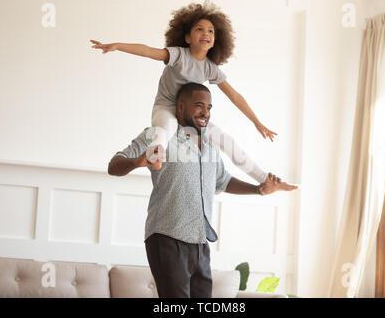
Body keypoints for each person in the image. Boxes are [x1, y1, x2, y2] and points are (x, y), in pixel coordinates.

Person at [108, 83, 298, 298]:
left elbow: (222, 181)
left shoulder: (210, 144)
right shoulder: (159, 135)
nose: (205, 113)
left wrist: (259, 190)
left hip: (200, 241)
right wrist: (139, 161)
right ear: (180, 107)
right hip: (167, 237)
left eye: (209, 108)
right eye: (199, 106)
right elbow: (114, 165)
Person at [92, 0, 278, 184]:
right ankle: (156, 156)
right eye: (199, 29)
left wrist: (257, 123)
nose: (206, 33)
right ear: (187, 37)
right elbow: (148, 51)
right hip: (166, 108)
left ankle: (265, 179)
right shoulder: (179, 55)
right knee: (166, 129)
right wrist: (117, 46)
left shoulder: (210, 68)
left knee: (226, 141)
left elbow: (234, 96)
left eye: (210, 31)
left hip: (191, 116)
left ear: (215, 41)